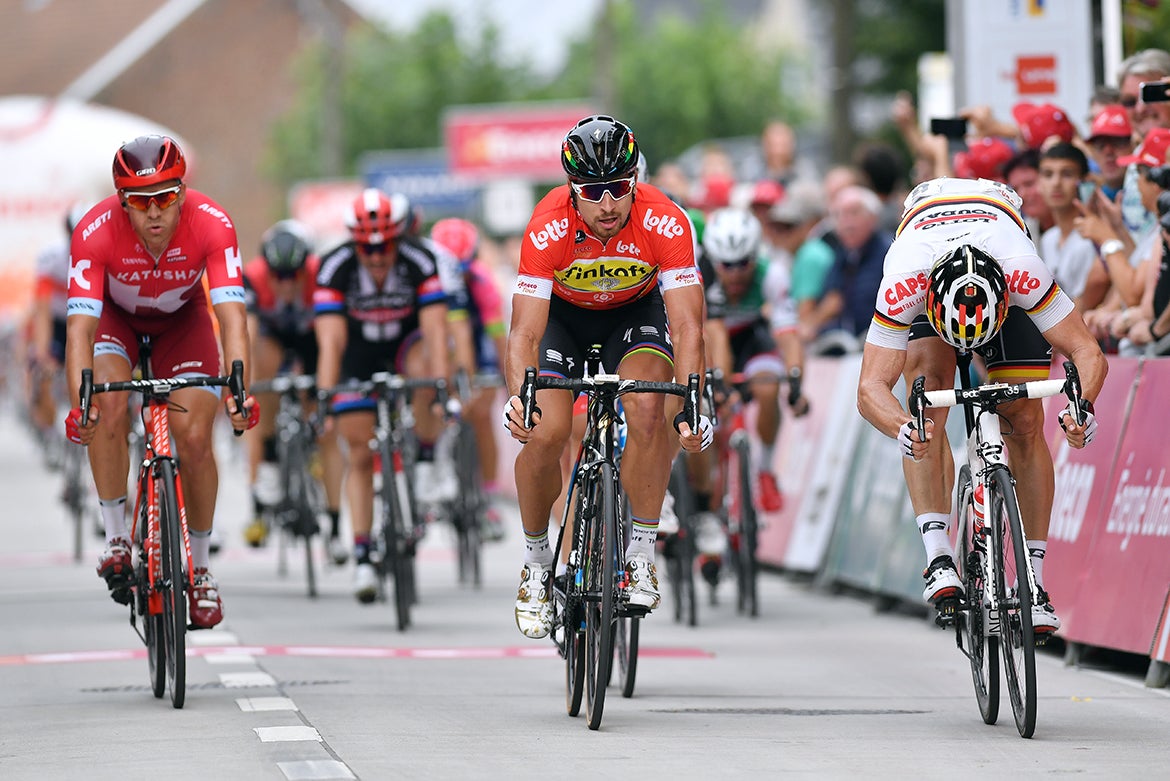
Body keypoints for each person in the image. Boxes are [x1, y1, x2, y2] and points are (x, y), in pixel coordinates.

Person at [856, 176, 1108, 637]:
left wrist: (1082, 406)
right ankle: (938, 556)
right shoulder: (904, 283)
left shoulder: (1024, 273)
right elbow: (870, 388)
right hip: (930, 261)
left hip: (998, 250)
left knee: (1024, 419)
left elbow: (1087, 352)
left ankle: (1034, 581)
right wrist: (903, 428)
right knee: (926, 403)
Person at [502, 115, 710, 639]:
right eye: (593, 192)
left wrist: (692, 401)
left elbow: (688, 326)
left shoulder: (665, 219)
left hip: (633, 315)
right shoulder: (547, 224)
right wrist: (520, 398)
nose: (608, 203)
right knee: (546, 431)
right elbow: (524, 333)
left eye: (619, 187)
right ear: (573, 188)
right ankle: (535, 565)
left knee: (648, 408)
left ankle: (640, 553)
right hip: (563, 321)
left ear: (635, 179)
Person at [64, 135, 258, 629]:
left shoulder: (212, 223)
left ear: (183, 193)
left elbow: (232, 318)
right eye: (140, 202)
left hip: (183, 324)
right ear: (121, 202)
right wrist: (79, 406)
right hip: (116, 322)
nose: (154, 212)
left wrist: (240, 392)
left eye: (166, 198)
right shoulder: (93, 231)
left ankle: (202, 570)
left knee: (194, 438)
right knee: (106, 404)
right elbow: (80, 330)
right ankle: (116, 538)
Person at [313, 187, 450, 604]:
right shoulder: (334, 266)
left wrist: (440, 387)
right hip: (356, 354)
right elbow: (331, 342)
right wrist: (325, 397)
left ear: (397, 238)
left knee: (426, 371)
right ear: (355, 244)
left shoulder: (419, 261)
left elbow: (436, 333)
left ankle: (424, 459)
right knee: (358, 450)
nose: (376, 256)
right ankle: (362, 556)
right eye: (367, 249)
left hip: (406, 349)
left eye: (384, 246)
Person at [241, 219, 346, 563]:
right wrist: (243, 390)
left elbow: (330, 341)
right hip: (272, 338)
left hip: (311, 339)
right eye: (279, 276)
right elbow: (247, 337)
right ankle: (270, 456)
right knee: (262, 374)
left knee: (327, 426)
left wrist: (324, 397)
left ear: (306, 269)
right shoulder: (253, 277)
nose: (286, 284)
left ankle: (334, 526)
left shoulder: (322, 275)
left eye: (294, 276)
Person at [700, 207, 808, 513]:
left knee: (769, 387)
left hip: (751, 338)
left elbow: (788, 334)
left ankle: (765, 469)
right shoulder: (702, 275)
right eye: (726, 265)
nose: (735, 273)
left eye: (743, 263)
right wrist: (718, 382)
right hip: (711, 340)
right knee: (709, 414)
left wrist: (796, 382)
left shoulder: (772, 274)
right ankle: (706, 491)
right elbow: (713, 334)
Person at [429, 216, 508, 541]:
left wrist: (507, 377)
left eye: (463, 268)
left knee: (481, 415)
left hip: (477, 340)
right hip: (441, 340)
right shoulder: (428, 280)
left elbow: (497, 335)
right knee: (437, 398)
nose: (457, 276)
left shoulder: (482, 281)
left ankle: (488, 497)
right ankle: (438, 471)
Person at [799, 185, 892, 342]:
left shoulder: (889, 252)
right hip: (846, 342)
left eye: (854, 213)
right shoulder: (843, 253)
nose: (846, 223)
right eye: (838, 215)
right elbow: (833, 300)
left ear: (873, 217)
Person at [1036, 143, 1106, 309]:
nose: (1056, 183)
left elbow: (1098, 284)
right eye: (1048, 174)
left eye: (1067, 174)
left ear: (1085, 181)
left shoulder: (1095, 234)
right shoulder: (1048, 238)